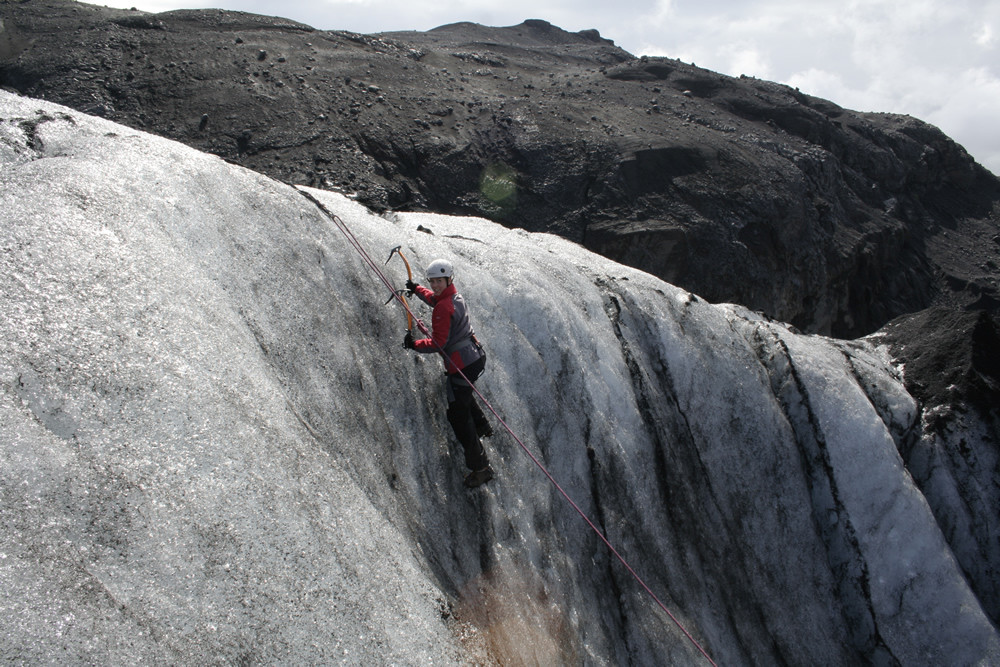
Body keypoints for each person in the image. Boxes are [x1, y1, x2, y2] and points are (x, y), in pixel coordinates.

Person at [403, 259, 494, 488]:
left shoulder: (444, 308)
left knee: (457, 415)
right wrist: (416, 289)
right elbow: (435, 299)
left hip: (461, 364)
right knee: (463, 395)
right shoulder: (454, 297)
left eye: (438, 281)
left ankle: (480, 467)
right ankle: (483, 426)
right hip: (475, 357)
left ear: (448, 279)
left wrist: (414, 345)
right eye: (432, 281)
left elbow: (437, 344)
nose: (435, 285)